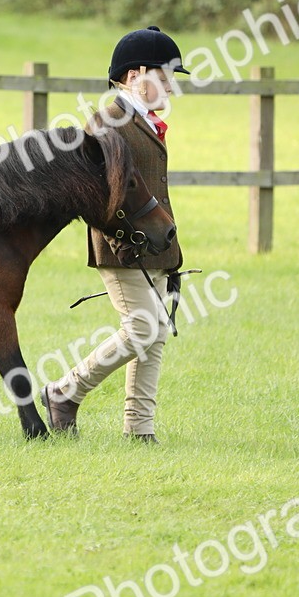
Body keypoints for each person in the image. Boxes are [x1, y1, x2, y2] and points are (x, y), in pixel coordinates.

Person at [40, 26, 186, 443]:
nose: (172, 89)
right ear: (137, 73)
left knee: (155, 334)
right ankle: (65, 392)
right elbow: (97, 195)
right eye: (167, 76)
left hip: (157, 243)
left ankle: (139, 430)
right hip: (122, 246)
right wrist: (124, 239)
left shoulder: (143, 122)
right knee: (143, 328)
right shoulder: (107, 124)